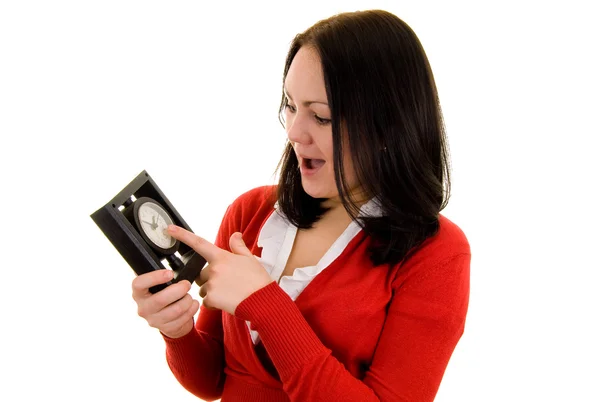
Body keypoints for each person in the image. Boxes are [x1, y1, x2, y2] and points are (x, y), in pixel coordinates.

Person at [132, 9, 470, 402]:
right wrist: (177, 332)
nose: (293, 133)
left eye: (321, 116)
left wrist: (265, 306)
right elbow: (214, 382)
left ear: (388, 125)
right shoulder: (251, 213)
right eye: (291, 105)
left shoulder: (437, 254)